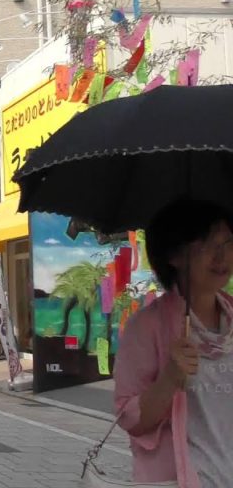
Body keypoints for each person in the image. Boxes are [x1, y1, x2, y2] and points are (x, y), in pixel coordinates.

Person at [114, 198, 233, 487]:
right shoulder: (146, 327)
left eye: (228, 243)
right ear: (174, 255)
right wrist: (169, 379)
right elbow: (132, 420)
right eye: (206, 246)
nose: (222, 257)